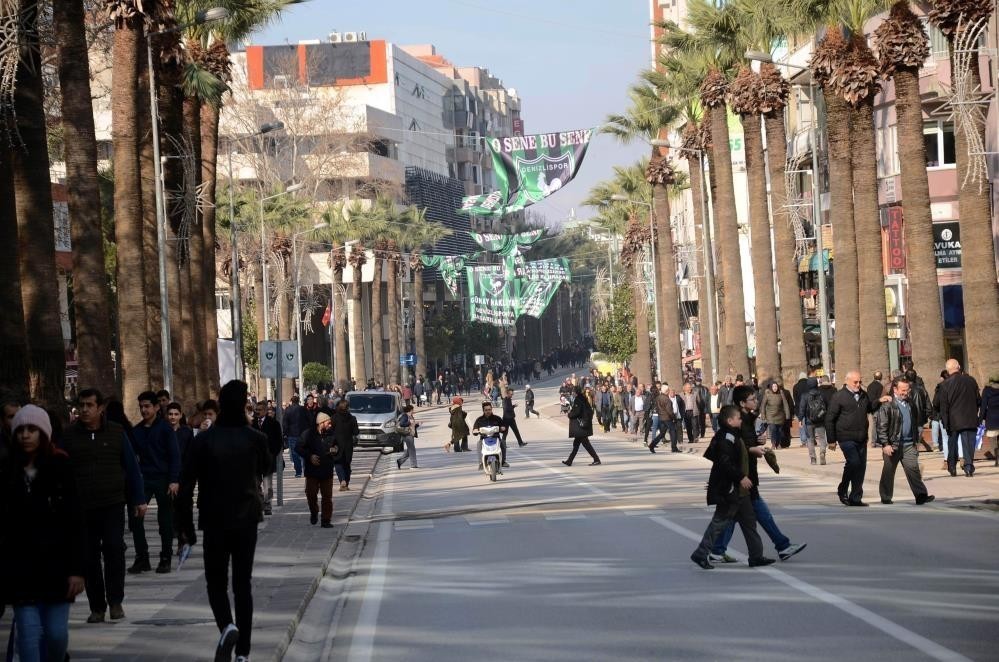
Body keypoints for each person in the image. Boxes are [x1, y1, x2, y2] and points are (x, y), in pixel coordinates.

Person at [176, 380, 269, 662]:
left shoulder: (203, 441)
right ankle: (243, 653)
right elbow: (266, 467)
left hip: (214, 520)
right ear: (243, 406)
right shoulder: (255, 439)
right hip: (246, 521)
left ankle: (227, 626)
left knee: (216, 582)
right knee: (243, 584)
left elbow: (185, 484)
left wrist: (187, 531)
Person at [0, 406, 86, 661]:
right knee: (27, 636)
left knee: (56, 634)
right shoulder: (7, 471)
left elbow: (76, 520)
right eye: (21, 430)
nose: (26, 435)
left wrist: (78, 570)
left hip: (57, 569)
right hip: (21, 569)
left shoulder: (60, 466)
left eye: (32, 429)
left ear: (44, 433)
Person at [61, 388, 145, 624]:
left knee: (114, 550)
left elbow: (131, 468)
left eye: (89, 405)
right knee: (88, 557)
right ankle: (97, 606)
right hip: (82, 508)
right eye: (82, 405)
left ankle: (115, 601)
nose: (85, 410)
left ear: (100, 408)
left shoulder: (117, 433)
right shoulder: (69, 437)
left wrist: (139, 499)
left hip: (112, 504)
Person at [709, 386, 806, 564]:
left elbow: (743, 443)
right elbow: (731, 450)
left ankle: (717, 550)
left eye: (755, 398)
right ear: (742, 403)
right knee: (753, 515)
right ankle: (780, 547)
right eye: (752, 399)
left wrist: (757, 441)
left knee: (736, 516)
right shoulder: (737, 421)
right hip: (742, 477)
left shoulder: (746, 419)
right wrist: (752, 449)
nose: (755, 401)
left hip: (746, 475)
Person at [689, 405, 773, 570]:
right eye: (738, 418)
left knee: (749, 522)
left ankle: (756, 556)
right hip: (730, 489)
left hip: (741, 491)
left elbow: (741, 451)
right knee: (719, 522)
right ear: (730, 420)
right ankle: (701, 553)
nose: (741, 420)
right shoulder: (725, 437)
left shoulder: (734, 435)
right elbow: (725, 461)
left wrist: (757, 443)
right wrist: (741, 477)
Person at [128, 391, 181, 575]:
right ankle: (142, 557)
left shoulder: (166, 429)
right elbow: (131, 459)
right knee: (135, 518)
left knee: (165, 520)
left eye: (147, 406)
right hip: (144, 479)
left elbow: (175, 455)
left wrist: (174, 480)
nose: (144, 410)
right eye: (141, 406)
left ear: (157, 407)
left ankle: (165, 557)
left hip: (163, 479)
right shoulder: (136, 431)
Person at [826, 371, 886, 506]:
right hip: (845, 436)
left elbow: (870, 407)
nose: (858, 385)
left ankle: (856, 497)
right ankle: (842, 489)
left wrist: (879, 401)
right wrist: (831, 440)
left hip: (861, 437)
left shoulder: (863, 395)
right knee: (853, 462)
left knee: (861, 467)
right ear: (847, 381)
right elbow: (830, 419)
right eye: (855, 382)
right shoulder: (839, 396)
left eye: (860, 382)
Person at [875, 378, 935, 505]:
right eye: (903, 390)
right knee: (888, 471)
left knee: (913, 469)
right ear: (895, 390)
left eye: (907, 390)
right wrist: (885, 444)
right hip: (893, 445)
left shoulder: (910, 404)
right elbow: (882, 426)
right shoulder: (887, 405)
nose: (906, 393)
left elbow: (914, 422)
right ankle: (886, 496)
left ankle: (921, 495)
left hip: (909, 444)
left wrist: (915, 441)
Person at [938, 359, 981, 477]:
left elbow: (944, 406)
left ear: (947, 370)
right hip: (969, 417)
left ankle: (952, 467)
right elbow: (978, 400)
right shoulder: (971, 380)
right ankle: (968, 466)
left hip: (953, 419)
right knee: (968, 443)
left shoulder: (945, 384)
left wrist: (945, 422)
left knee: (952, 444)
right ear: (959, 367)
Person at [297, 412, 339, 527]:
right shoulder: (308, 434)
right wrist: (309, 456)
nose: (330, 425)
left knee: (327, 497)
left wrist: (335, 449)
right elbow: (298, 447)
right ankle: (314, 511)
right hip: (312, 470)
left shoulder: (331, 434)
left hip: (327, 470)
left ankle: (326, 520)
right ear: (321, 423)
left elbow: (337, 446)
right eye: (328, 423)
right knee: (311, 494)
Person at [251, 401, 284, 514]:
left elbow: (279, 441)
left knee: (267, 485)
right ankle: (260, 503)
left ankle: (267, 504)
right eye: (256, 410)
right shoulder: (251, 423)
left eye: (259, 410)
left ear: (265, 411)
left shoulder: (273, 423)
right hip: (254, 460)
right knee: (255, 484)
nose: (257, 412)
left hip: (267, 460)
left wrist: (272, 454)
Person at [563, 386, 601, 466]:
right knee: (577, 444)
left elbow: (576, 412)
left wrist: (569, 414)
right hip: (582, 427)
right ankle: (569, 461)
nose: (572, 393)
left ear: (575, 392)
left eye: (573, 392)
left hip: (580, 427)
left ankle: (596, 459)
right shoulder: (582, 398)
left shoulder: (578, 400)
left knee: (585, 444)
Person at [797, 378, 829, 465]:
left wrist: (800, 419)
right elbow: (826, 407)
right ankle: (822, 453)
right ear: (816, 384)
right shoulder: (822, 394)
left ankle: (813, 459)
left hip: (809, 421)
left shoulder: (805, 395)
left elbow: (802, 408)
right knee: (822, 438)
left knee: (810, 440)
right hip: (820, 420)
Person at [331, 399, 359, 490]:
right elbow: (356, 432)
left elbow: (331, 431)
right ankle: (346, 482)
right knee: (347, 464)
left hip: (337, 444)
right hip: (348, 445)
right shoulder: (352, 418)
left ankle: (342, 480)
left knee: (338, 463)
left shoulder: (334, 418)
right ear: (348, 408)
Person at [472, 401, 507, 470]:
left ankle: (503, 461)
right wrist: (475, 430)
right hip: (484, 439)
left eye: (489, 409)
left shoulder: (497, 418)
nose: (488, 411)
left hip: (496, 438)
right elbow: (474, 430)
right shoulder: (479, 420)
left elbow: (504, 427)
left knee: (503, 442)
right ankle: (481, 463)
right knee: (479, 444)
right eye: (486, 410)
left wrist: (503, 428)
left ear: (491, 409)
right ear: (483, 410)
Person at [282, 394, 310, 478]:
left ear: (291, 401)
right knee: (304, 452)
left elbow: (285, 423)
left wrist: (286, 433)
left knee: (295, 453)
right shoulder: (303, 409)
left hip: (292, 434)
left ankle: (298, 471)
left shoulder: (288, 410)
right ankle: (305, 470)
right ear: (298, 401)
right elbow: (309, 420)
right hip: (303, 434)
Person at [761, 381, 790, 450]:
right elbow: (763, 405)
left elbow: (785, 404)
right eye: (773, 387)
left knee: (779, 431)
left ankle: (779, 444)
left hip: (780, 416)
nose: (775, 388)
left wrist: (787, 414)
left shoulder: (781, 393)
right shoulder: (767, 394)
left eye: (776, 386)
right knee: (773, 430)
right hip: (770, 416)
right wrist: (763, 415)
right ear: (771, 387)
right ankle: (773, 444)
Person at [981, 375, 999, 466]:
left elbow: (983, 406)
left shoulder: (987, 390)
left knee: (993, 440)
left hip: (991, 418)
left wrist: (981, 418)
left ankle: (997, 458)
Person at [396, 405, 420, 469]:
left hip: (410, 434)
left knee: (410, 450)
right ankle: (413, 465)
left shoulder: (410, 416)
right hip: (407, 435)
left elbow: (412, 425)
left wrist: (417, 424)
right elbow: (402, 424)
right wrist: (409, 422)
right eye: (412, 410)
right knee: (412, 450)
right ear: (410, 410)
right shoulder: (405, 416)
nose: (413, 411)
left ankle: (400, 461)